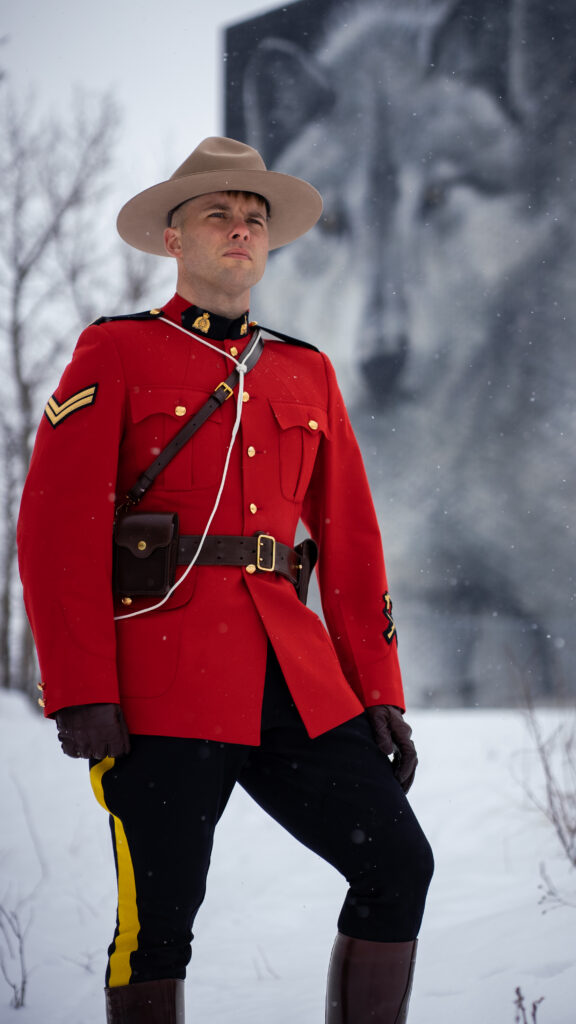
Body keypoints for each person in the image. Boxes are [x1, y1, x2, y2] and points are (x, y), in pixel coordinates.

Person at [17, 137, 433, 1023]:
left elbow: (352, 542)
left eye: (254, 219)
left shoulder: (307, 370)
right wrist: (81, 687)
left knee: (399, 866)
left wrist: (379, 691)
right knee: (160, 927)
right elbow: (56, 534)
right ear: (175, 239)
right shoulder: (116, 353)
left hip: (294, 682)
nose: (242, 231)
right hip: (160, 682)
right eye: (219, 214)